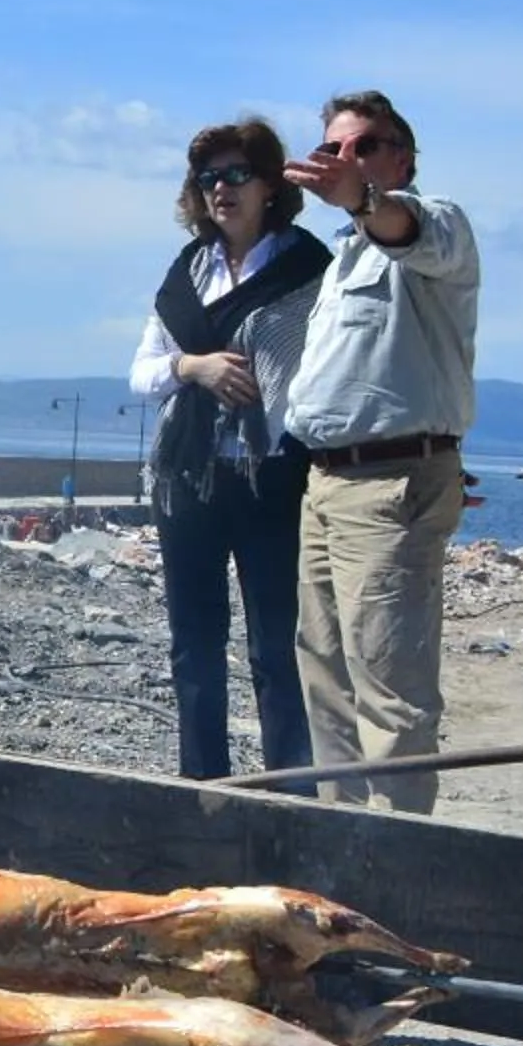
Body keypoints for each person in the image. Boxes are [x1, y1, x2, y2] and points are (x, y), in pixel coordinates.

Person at [279, 90, 481, 811]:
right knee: (326, 678)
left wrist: (362, 198)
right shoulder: (343, 255)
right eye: (333, 148)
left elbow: (404, 226)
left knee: (389, 688)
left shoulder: (436, 228)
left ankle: (398, 862)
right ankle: (339, 852)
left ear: (402, 156)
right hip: (328, 483)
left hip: (392, 483)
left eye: (364, 146)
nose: (346, 161)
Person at [127, 119, 330, 781]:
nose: (221, 188)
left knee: (277, 646)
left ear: (270, 184)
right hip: (187, 475)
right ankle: (203, 788)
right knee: (195, 643)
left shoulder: (309, 271)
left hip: (271, 475)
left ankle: (286, 792)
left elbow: (333, 372)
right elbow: (142, 372)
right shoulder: (188, 272)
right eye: (208, 177)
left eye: (236, 174)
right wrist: (195, 368)